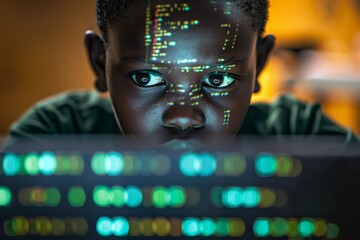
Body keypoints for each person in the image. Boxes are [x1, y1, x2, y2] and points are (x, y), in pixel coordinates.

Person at [4, 0, 357, 151]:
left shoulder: (304, 139)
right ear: (100, 62)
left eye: (217, 81)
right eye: (147, 79)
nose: (184, 116)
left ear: (259, 64)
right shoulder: (54, 138)